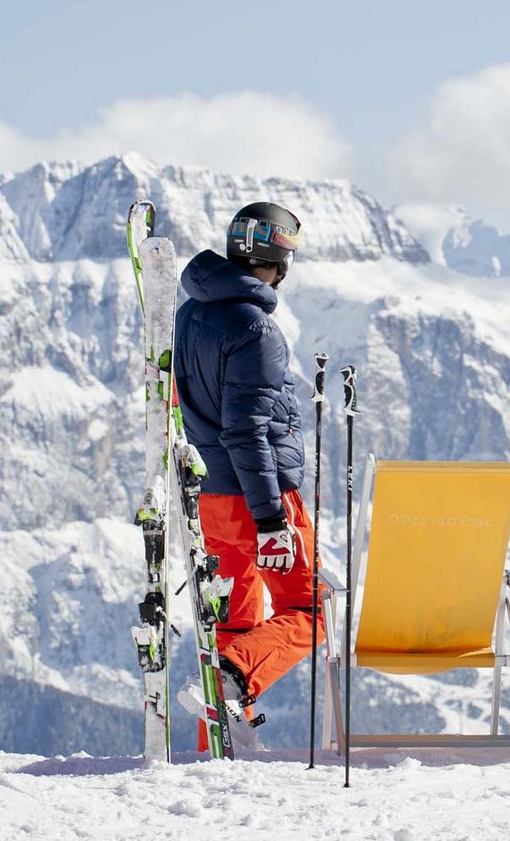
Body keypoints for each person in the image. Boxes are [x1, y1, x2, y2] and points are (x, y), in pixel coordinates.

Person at [173, 201, 316, 741]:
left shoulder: (189, 313)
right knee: (310, 609)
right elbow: (247, 432)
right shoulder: (256, 329)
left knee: (234, 617)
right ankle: (230, 678)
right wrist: (272, 519)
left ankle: (222, 737)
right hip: (259, 495)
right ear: (279, 256)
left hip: (210, 498)